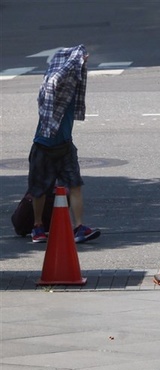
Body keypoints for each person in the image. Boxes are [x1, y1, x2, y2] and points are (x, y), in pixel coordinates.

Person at [28, 45, 100, 244]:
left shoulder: (70, 88)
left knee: (75, 185)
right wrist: (77, 58)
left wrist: (81, 59)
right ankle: (37, 227)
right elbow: (58, 77)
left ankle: (79, 228)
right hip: (43, 147)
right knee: (39, 190)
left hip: (65, 146)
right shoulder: (52, 86)